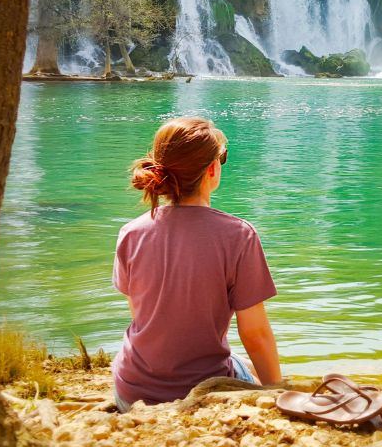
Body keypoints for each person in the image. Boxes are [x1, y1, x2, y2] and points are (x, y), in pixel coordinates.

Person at [111, 116, 282, 412]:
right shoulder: (238, 235)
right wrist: (277, 392)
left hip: (131, 392)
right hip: (201, 396)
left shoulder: (131, 233)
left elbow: (142, 314)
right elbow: (255, 334)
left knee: (237, 361)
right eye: (222, 158)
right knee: (246, 370)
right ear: (213, 170)